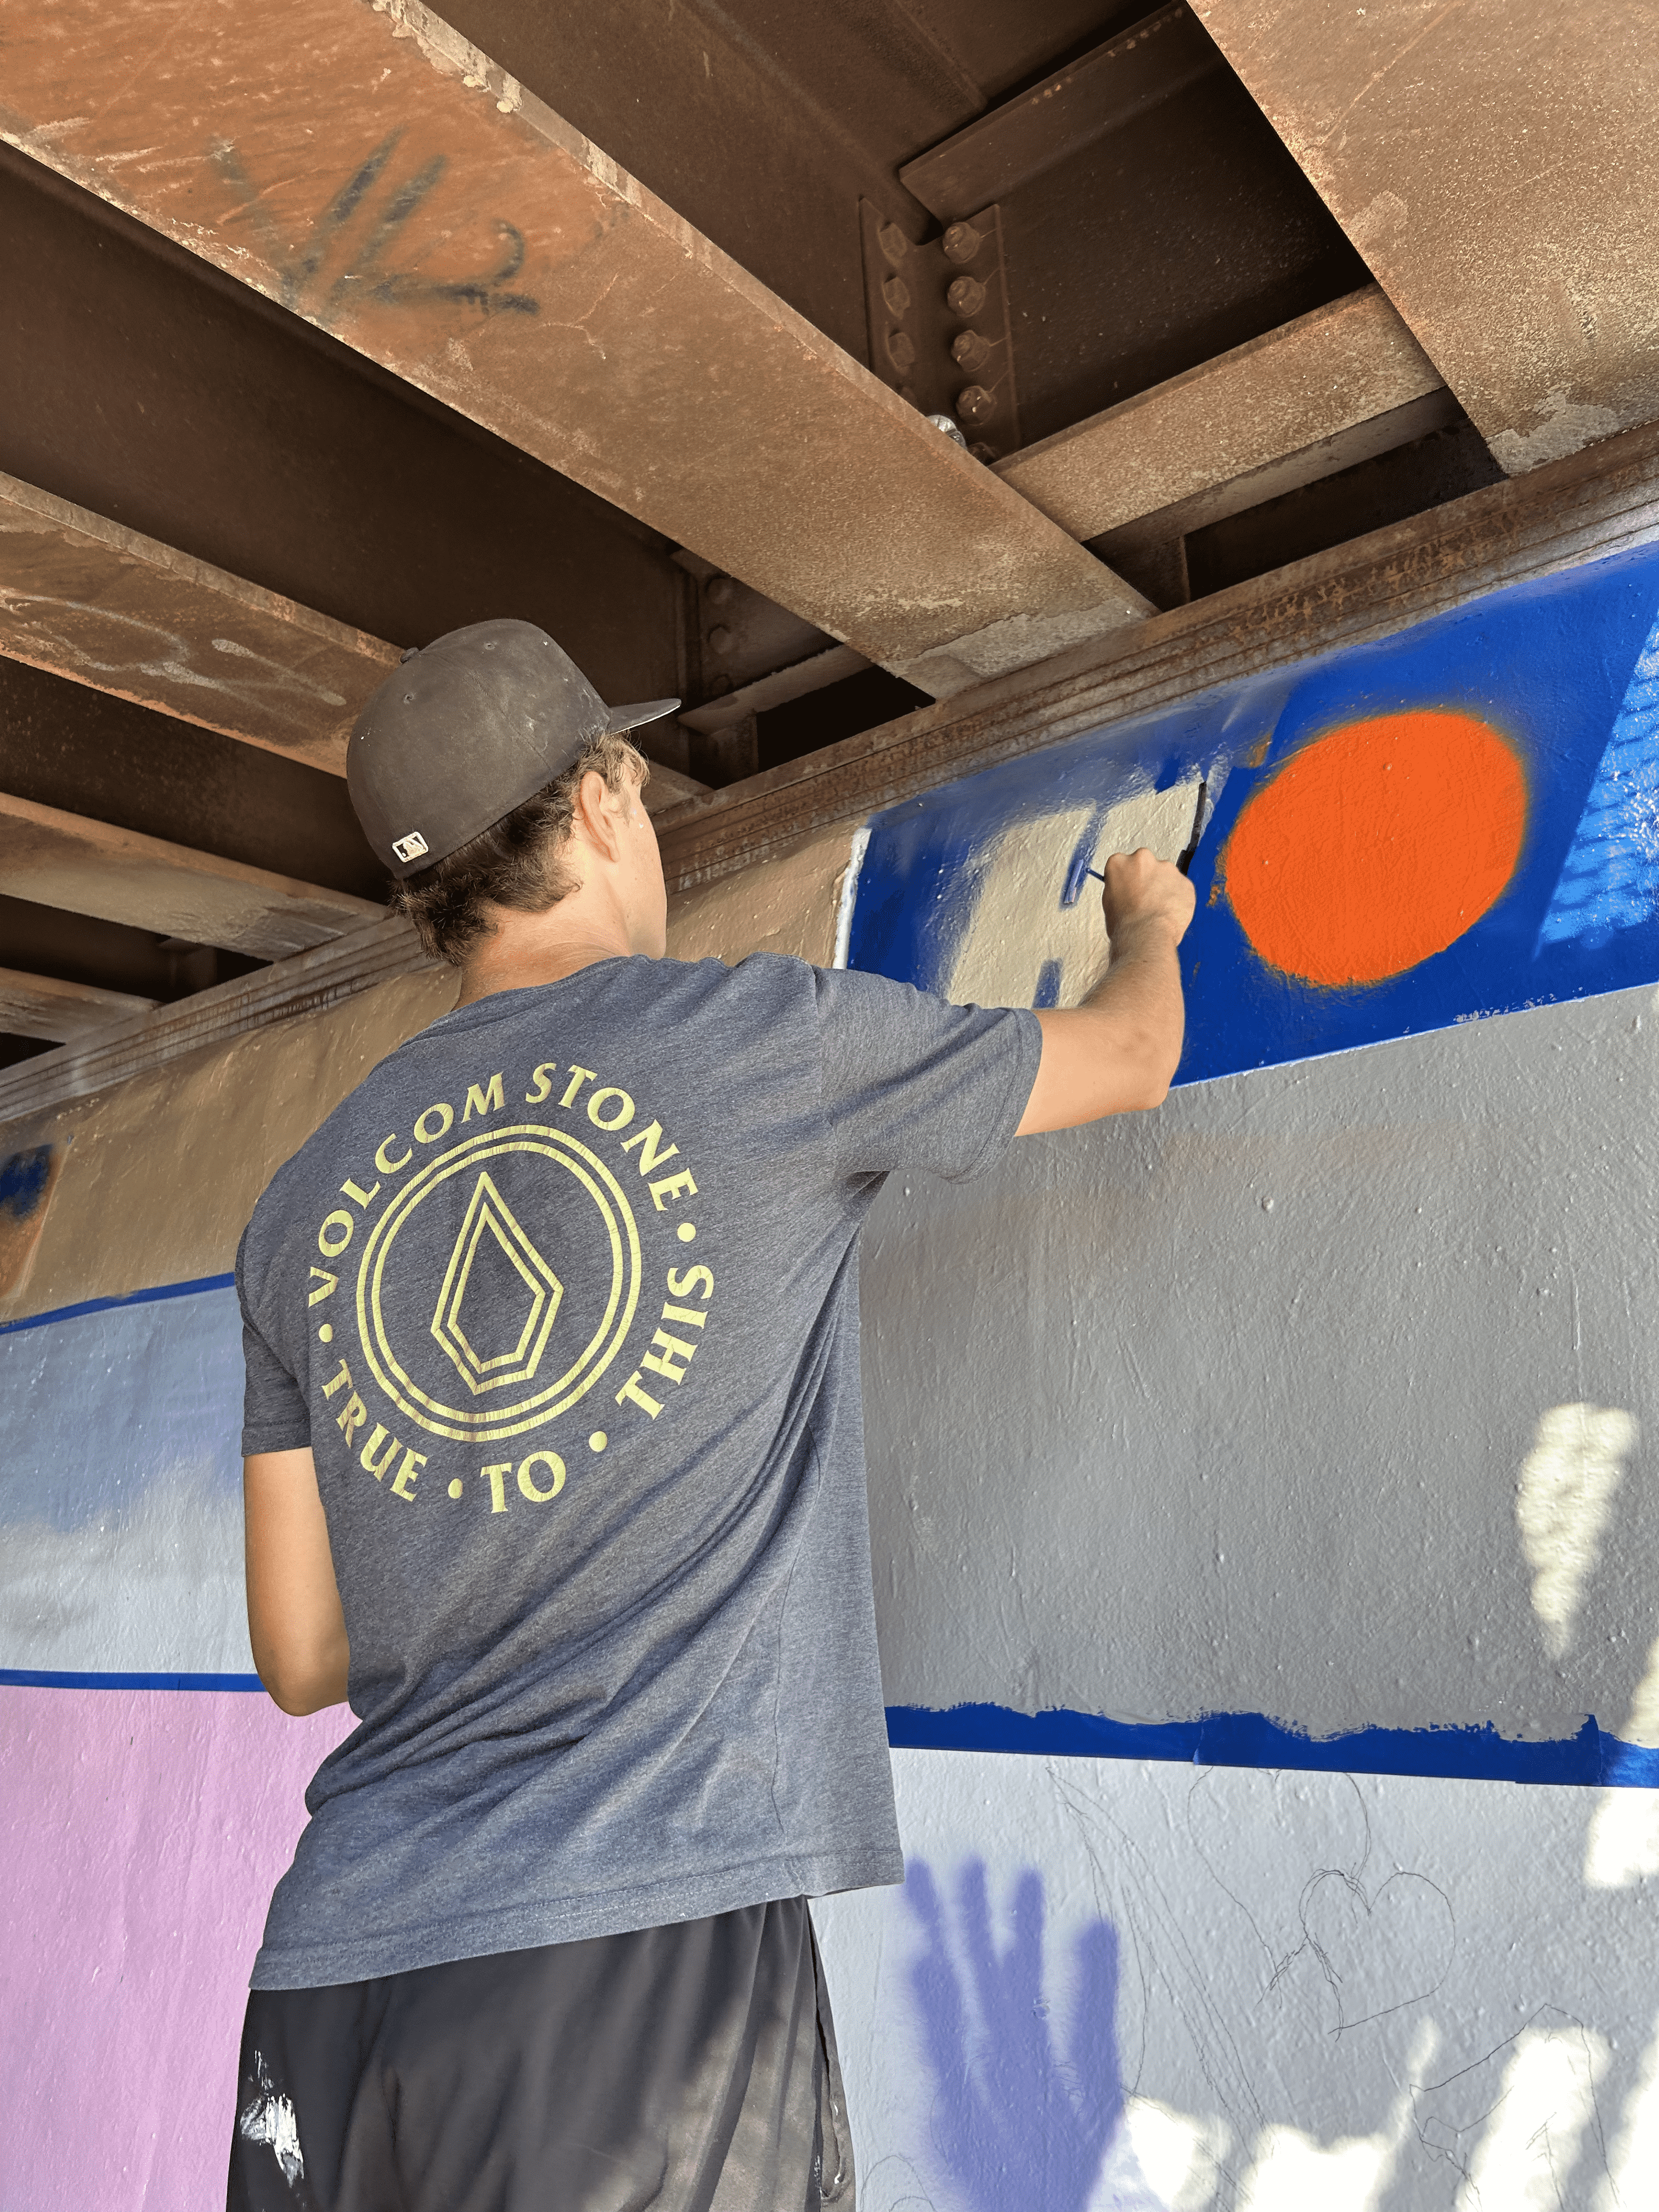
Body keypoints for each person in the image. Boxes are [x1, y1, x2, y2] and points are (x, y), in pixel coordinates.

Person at [228, 618, 1195, 2212]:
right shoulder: (754, 1040)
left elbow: (306, 1656)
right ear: (605, 797)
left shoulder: (298, 1204)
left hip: (335, 1985)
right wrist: (1148, 917)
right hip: (626, 1967)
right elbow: (1134, 1054)